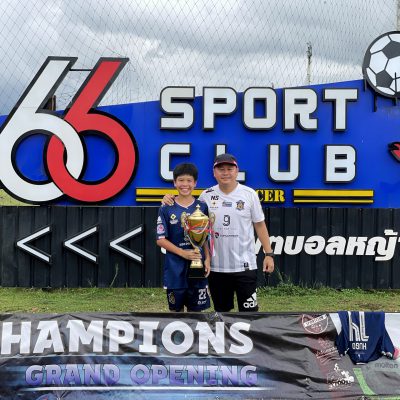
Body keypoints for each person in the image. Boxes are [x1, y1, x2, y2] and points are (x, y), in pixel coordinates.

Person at [163, 153, 274, 312]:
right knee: (222, 315)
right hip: (217, 268)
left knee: (250, 315)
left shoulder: (249, 194)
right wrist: (169, 198)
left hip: (245, 266)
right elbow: (187, 206)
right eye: (221, 169)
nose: (225, 173)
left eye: (230, 169)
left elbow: (260, 225)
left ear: (237, 171)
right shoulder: (206, 196)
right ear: (214, 172)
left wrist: (269, 254)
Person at [156, 162, 211, 312]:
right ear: (174, 182)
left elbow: (205, 237)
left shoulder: (202, 207)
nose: (185, 184)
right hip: (175, 269)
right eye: (181, 180)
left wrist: (207, 259)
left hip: (197, 266)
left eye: (189, 180)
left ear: (195, 183)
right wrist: (183, 253)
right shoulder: (166, 207)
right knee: (176, 314)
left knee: (196, 314)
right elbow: (160, 239)